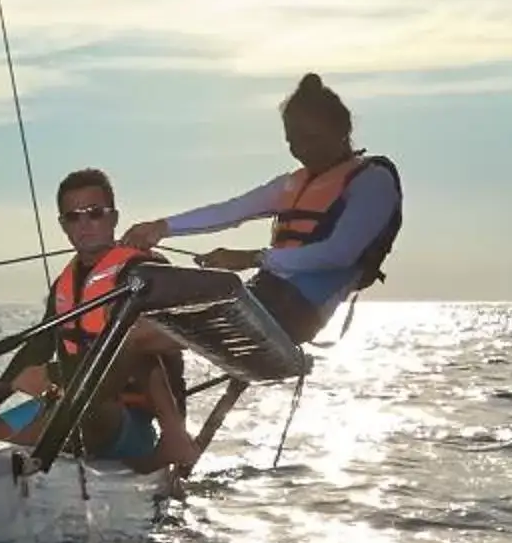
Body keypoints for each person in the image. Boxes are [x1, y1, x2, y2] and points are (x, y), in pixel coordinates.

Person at [124, 73, 401, 342]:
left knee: (138, 340)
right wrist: (161, 227)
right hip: (260, 298)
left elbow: (339, 254)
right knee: (139, 322)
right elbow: (230, 211)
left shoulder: (372, 181)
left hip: (296, 313)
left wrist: (253, 258)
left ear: (343, 129)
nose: (303, 149)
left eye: (312, 137)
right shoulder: (291, 184)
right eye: (293, 141)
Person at [0, 168, 198, 470]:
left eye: (94, 213)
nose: (84, 225)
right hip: (64, 403)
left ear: (114, 218)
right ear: (62, 224)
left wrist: (174, 435)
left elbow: (172, 347)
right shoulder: (64, 283)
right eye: (73, 217)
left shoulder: (144, 271)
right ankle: (29, 445)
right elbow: (39, 345)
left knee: (82, 406)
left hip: (122, 419)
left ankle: (35, 451)